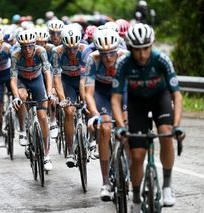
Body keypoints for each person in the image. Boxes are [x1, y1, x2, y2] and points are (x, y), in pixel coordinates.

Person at [111, 23, 185, 212]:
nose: (142, 54)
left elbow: (177, 95)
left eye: (146, 48)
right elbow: (116, 98)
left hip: (160, 99)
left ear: (151, 46)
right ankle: (136, 197)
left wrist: (176, 125)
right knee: (137, 156)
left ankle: (167, 186)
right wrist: (120, 125)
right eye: (137, 50)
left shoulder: (162, 59)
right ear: (130, 49)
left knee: (166, 134)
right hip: (137, 105)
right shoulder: (123, 63)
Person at [85, 28, 128, 201]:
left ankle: (130, 168)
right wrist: (95, 114)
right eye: (104, 54)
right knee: (105, 128)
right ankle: (105, 183)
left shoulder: (125, 58)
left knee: (128, 127)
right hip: (102, 93)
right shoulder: (92, 59)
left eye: (111, 53)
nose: (108, 58)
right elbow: (89, 93)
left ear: (117, 50)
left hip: (122, 90)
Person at [10, 29, 54, 171]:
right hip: (22, 81)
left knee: (42, 116)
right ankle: (23, 130)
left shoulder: (41, 51)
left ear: (34, 44)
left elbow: (47, 73)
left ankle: (46, 154)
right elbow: (13, 79)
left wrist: (49, 93)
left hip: (37, 80)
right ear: (20, 46)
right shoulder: (16, 55)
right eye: (24, 46)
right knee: (22, 97)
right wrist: (16, 97)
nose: (27, 49)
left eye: (30, 46)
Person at [51, 25, 87, 168]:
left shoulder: (85, 50)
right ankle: (71, 151)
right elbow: (57, 78)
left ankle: (92, 141)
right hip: (67, 81)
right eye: (69, 48)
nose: (72, 51)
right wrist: (63, 99)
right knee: (69, 112)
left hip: (82, 80)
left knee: (90, 106)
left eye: (74, 48)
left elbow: (87, 78)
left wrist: (86, 100)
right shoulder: (57, 52)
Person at [34, 27, 59, 138]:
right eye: (37, 43)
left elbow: (54, 68)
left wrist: (53, 87)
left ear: (46, 42)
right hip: (37, 73)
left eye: (42, 43)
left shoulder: (51, 49)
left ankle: (53, 120)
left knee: (52, 96)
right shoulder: (32, 50)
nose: (40, 46)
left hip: (50, 72)